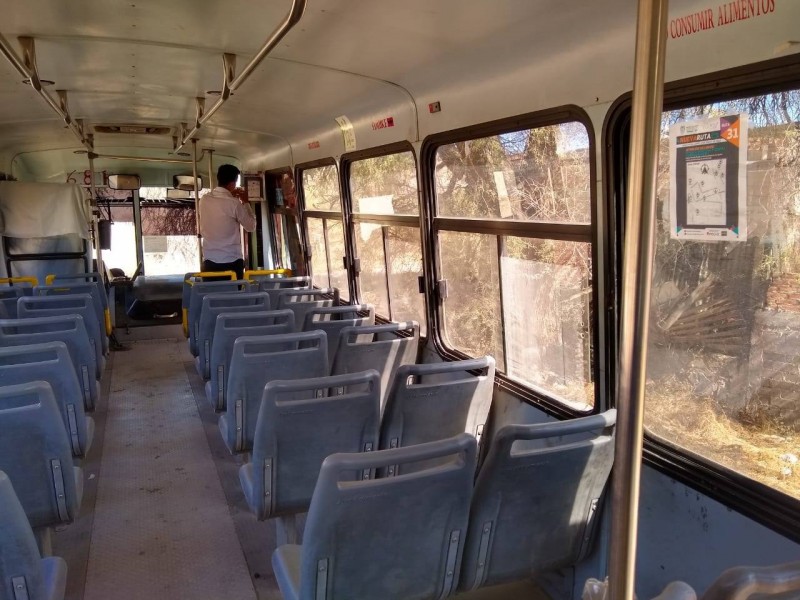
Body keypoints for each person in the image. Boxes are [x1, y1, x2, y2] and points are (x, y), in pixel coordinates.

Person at [198, 164, 256, 280]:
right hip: (231, 262)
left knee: (212, 292)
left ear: (219, 179)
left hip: (210, 261)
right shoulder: (234, 203)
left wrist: (230, 195)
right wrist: (246, 202)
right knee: (233, 292)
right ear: (232, 183)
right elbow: (251, 226)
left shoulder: (204, 200)